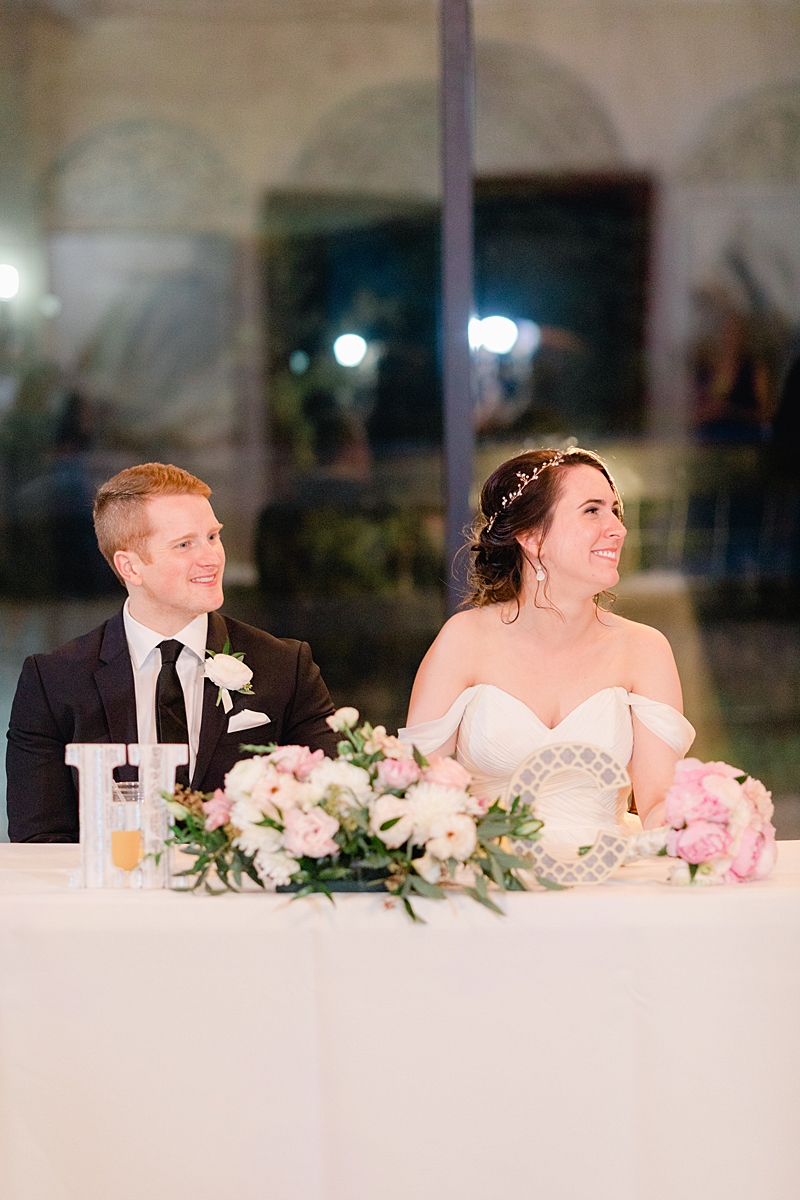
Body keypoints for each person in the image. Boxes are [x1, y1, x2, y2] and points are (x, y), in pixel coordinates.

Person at [6, 462, 339, 842]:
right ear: (130, 567)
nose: (211, 558)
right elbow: (39, 842)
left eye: (213, 536)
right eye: (185, 544)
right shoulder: (54, 683)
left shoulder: (285, 667)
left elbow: (332, 805)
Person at [399, 447, 695, 849]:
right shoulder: (463, 641)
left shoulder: (644, 649)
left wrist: (702, 823)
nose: (617, 528)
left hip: (606, 879)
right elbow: (413, 791)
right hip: (490, 885)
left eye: (614, 511)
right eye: (592, 511)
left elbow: (658, 802)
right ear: (532, 537)